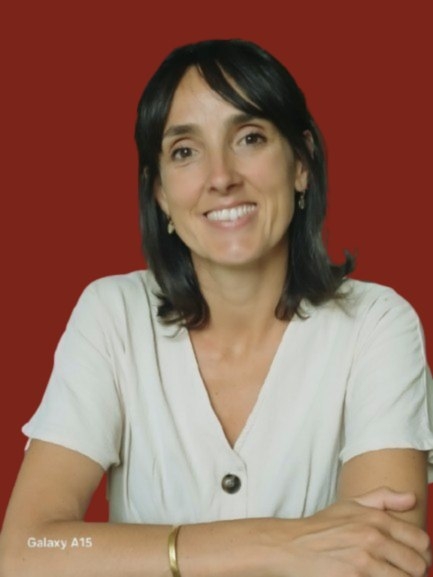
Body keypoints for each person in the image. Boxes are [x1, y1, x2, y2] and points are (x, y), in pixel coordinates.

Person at [0, 38, 432, 577]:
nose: (222, 176)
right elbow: (27, 550)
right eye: (185, 151)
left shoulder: (378, 325)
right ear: (160, 193)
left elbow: (383, 560)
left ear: (301, 163)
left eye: (250, 138)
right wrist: (281, 544)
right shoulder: (112, 315)